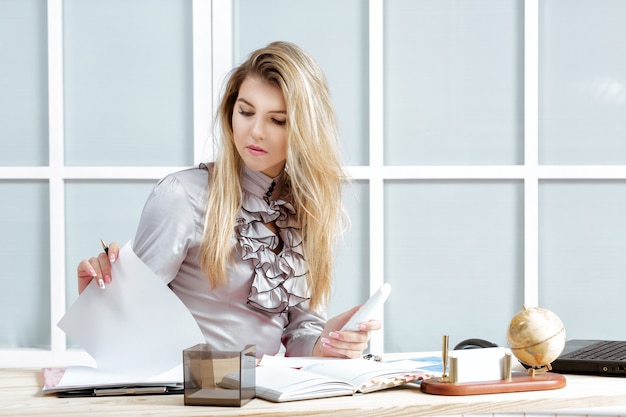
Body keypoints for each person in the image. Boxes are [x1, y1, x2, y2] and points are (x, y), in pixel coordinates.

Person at [76, 41, 380, 359]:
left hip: (265, 399)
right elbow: (122, 327)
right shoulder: (182, 195)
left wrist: (326, 342)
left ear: (305, 130)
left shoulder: (305, 209)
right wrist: (97, 295)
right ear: (230, 110)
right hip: (192, 399)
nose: (255, 132)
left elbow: (298, 330)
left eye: (278, 120)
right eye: (246, 112)